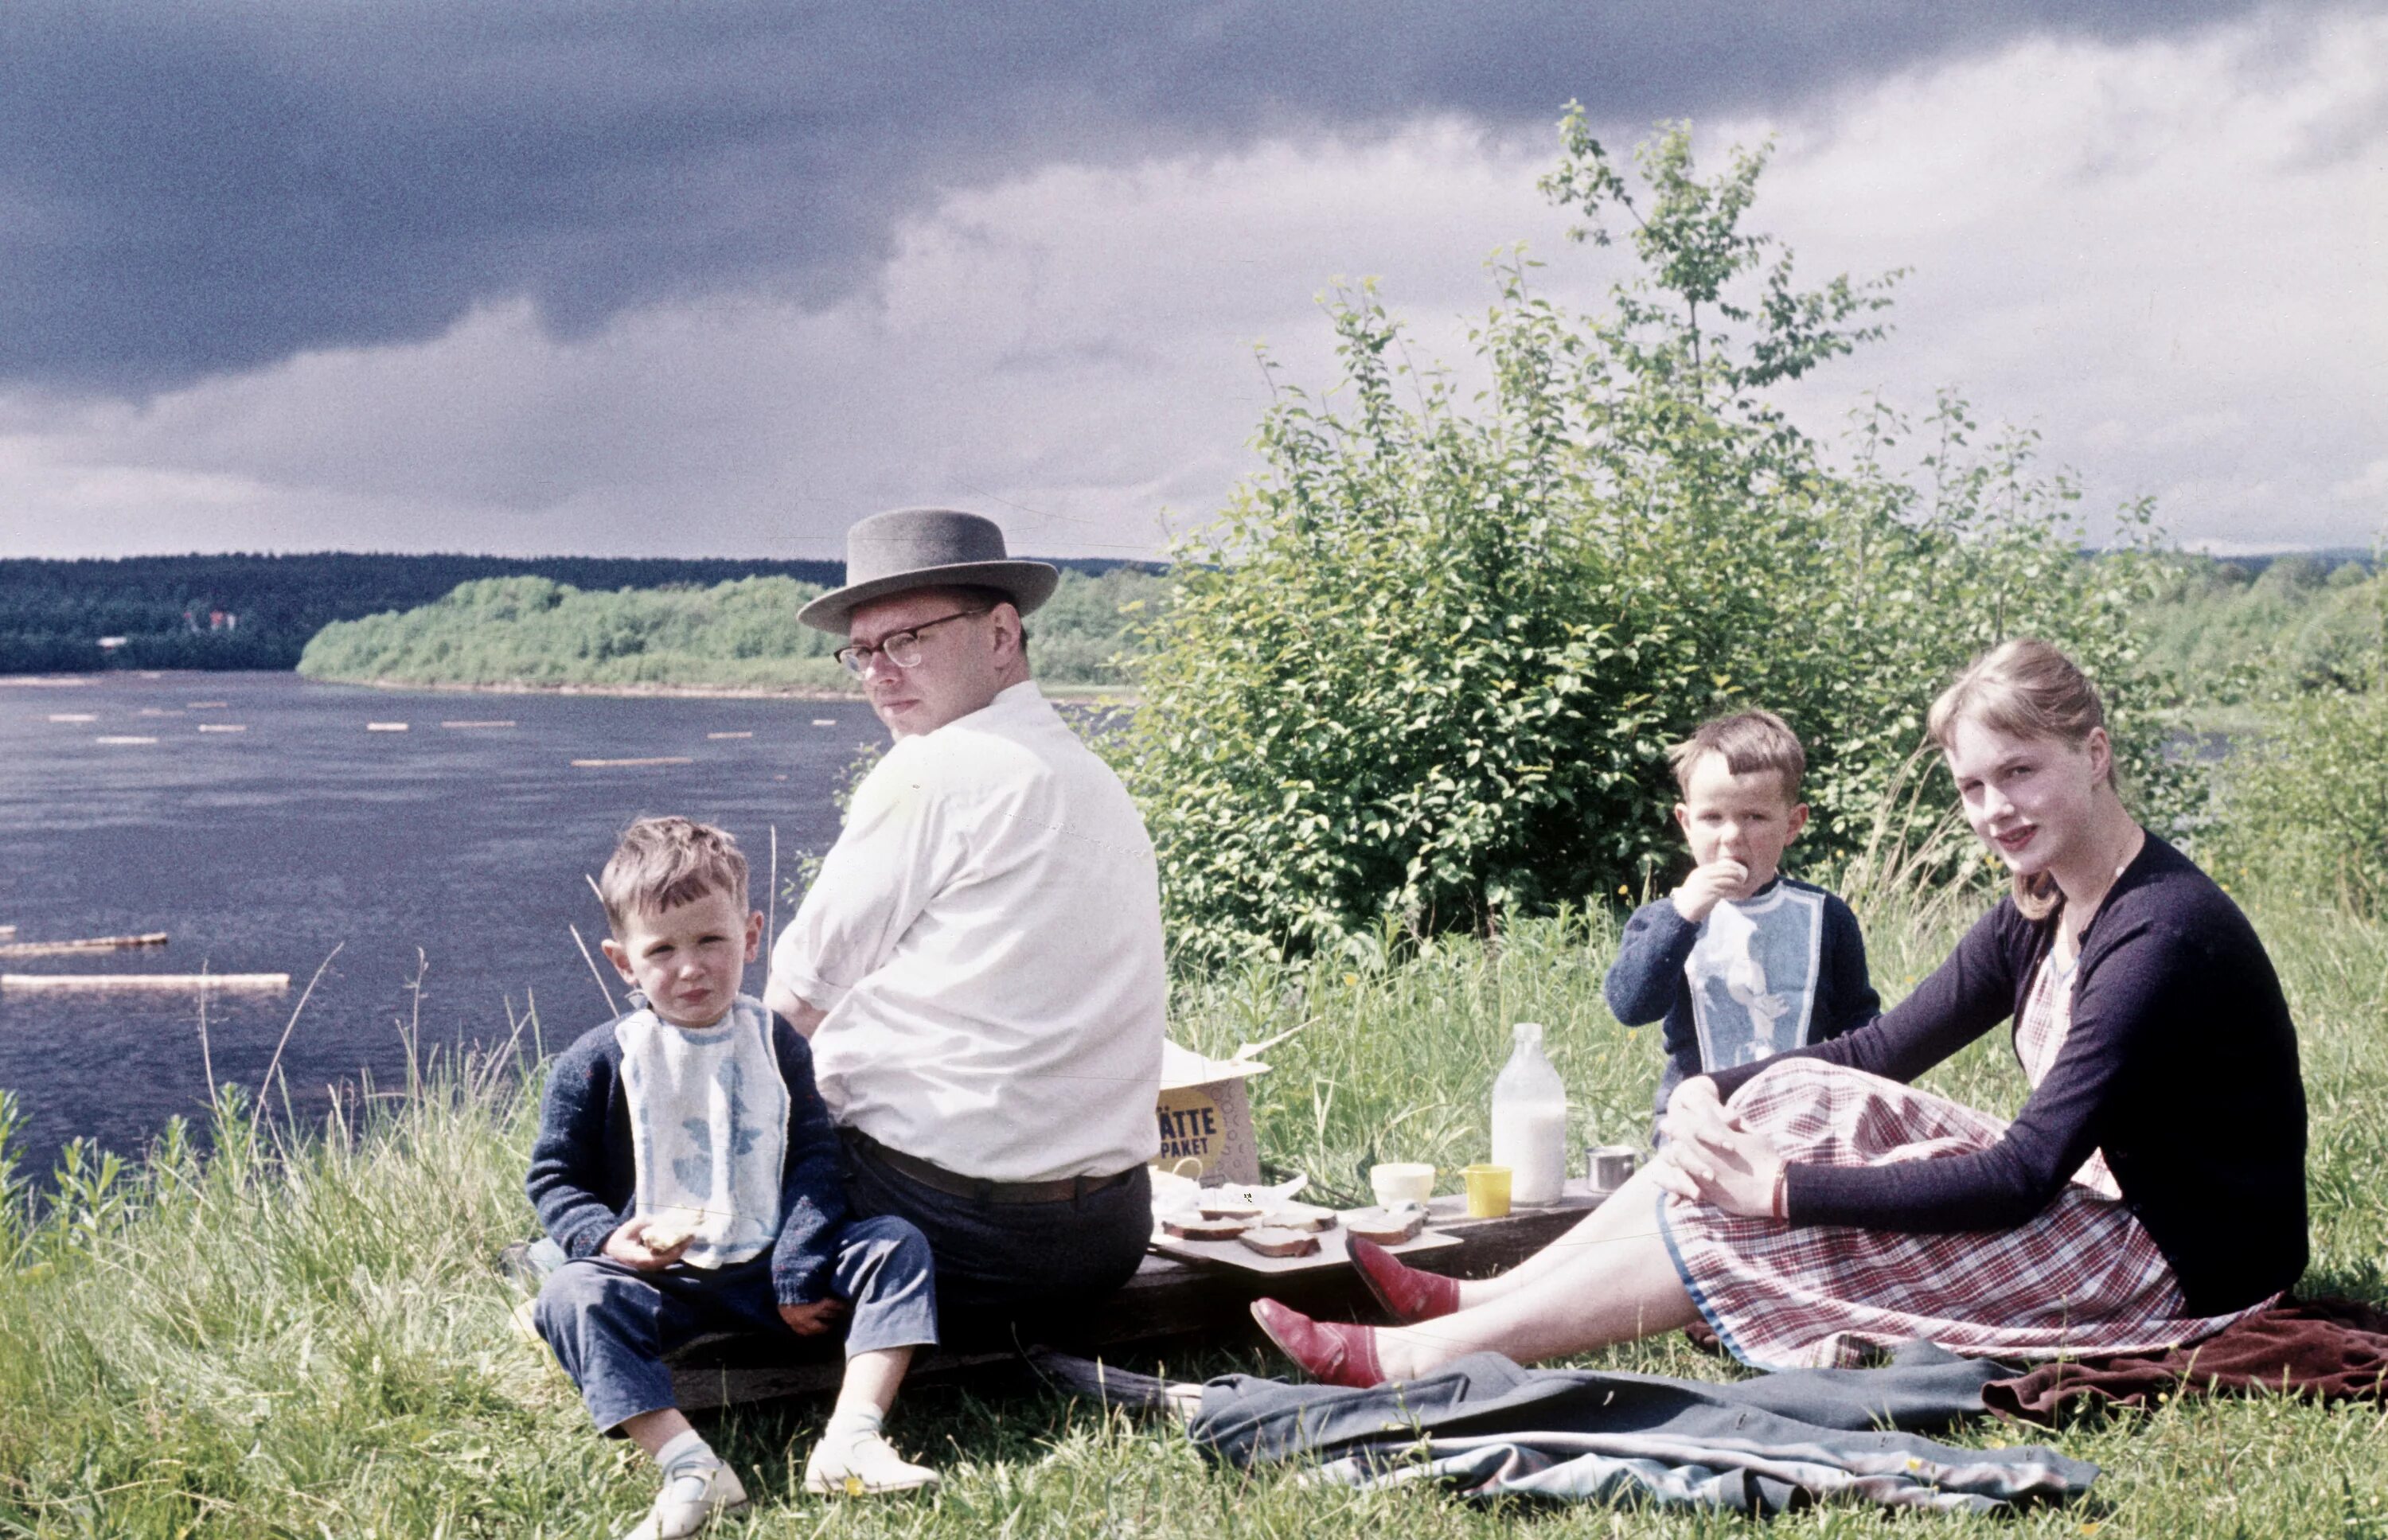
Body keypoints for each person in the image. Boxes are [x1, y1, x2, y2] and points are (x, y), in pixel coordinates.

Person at [1252, 639, 2308, 1385]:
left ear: (2098, 751)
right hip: (2099, 1197)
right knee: (1797, 1090)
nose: (1997, 811)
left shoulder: (2160, 931)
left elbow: (2024, 1172)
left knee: (1790, 1224)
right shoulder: (2043, 900)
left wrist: (1784, 1187)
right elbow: (1879, 1049)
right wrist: (1710, 1093)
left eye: (2020, 772)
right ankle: (1479, 1298)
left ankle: (1418, 1356)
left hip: (2173, 1259)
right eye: (1974, 786)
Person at [764, 507, 1165, 1322]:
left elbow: (791, 1009)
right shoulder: (1092, 778)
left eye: (910, 639)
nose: (879, 673)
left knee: (688, 1068)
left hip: (956, 1236)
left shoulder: (934, 770)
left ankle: (585, 1252)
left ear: (1001, 634)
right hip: (1105, 1238)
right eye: (862, 652)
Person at [528, 817, 942, 1537]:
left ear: (751, 937)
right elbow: (555, 1179)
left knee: (896, 1243)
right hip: (664, 1281)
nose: (691, 967)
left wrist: (798, 1266)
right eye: (662, 949)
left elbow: (816, 1155)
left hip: (772, 1269)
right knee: (567, 1293)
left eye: (711, 940)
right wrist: (607, 1238)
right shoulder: (596, 1062)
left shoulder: (776, 1042)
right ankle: (689, 1465)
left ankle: (852, 1438)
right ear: (622, 961)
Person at [1606, 709, 1879, 1142]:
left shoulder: (1826, 915)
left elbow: (1860, 1025)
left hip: (1806, 1118)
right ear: (1685, 823)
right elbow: (1630, 1007)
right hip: (1696, 1118)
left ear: (1793, 825)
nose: (1732, 836)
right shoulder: (1663, 918)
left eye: (1754, 817)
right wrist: (1683, 918)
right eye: (1712, 817)